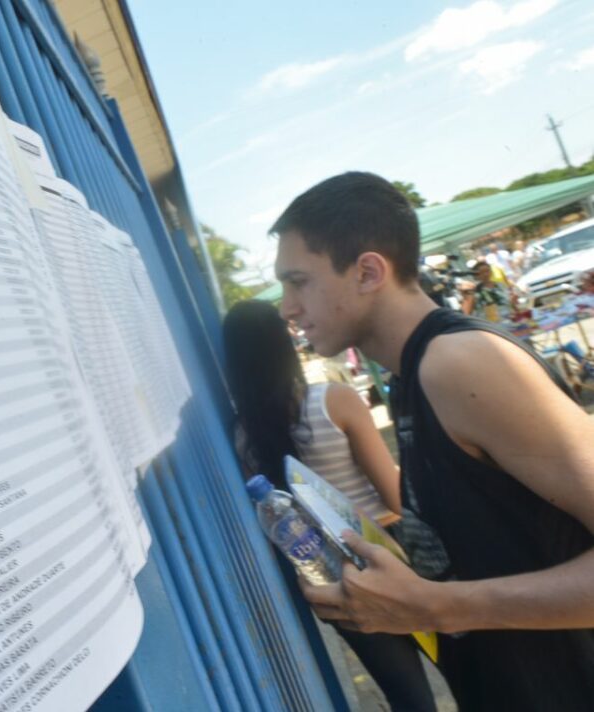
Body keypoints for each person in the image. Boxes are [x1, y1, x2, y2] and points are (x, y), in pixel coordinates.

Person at [271, 171, 594, 710]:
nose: (286, 307)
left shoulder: (460, 363)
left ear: (369, 271)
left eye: (298, 281)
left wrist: (434, 607)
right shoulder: (413, 377)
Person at [222, 300, 436, 711]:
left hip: (335, 579)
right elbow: (396, 496)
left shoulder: (242, 436)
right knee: (468, 668)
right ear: (284, 344)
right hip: (391, 552)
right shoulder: (333, 401)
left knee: (409, 698)